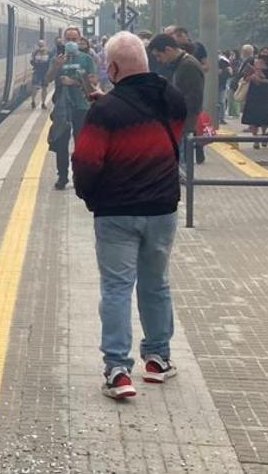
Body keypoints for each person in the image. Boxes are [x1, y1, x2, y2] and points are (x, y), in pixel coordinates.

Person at [72, 31, 187, 400]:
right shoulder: (172, 98)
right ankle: (157, 360)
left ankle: (118, 370)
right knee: (156, 284)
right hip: (162, 209)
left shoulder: (104, 111)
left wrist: (90, 198)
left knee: (117, 288)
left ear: (113, 67)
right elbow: (153, 126)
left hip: (116, 213)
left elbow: (87, 161)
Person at [46, 26, 97, 190]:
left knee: (80, 143)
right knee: (61, 142)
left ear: (80, 40)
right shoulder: (57, 59)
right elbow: (46, 80)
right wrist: (55, 66)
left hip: (82, 106)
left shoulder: (87, 59)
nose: (71, 42)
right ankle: (62, 176)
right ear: (63, 40)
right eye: (68, 39)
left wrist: (74, 82)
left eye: (74, 39)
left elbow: (93, 84)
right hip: (62, 109)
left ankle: (79, 176)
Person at [147, 35, 205, 164]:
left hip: (183, 123)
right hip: (178, 123)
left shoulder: (188, 65)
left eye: (159, 56)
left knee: (180, 166)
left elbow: (194, 99)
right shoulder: (181, 64)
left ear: (168, 50)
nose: (159, 60)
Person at [242, 49, 268, 148]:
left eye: (267, 52)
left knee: (264, 115)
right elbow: (244, 76)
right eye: (263, 52)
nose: (264, 54)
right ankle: (255, 139)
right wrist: (252, 77)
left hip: (264, 93)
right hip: (253, 92)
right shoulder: (252, 62)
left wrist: (261, 78)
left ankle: (264, 136)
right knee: (253, 116)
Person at [30, 40, 52, 109]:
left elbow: (51, 62)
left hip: (45, 72)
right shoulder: (35, 52)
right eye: (40, 45)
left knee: (44, 88)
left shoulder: (49, 52)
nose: (41, 46)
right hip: (37, 71)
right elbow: (31, 61)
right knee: (34, 87)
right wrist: (36, 62)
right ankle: (33, 101)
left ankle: (43, 103)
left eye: (42, 45)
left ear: (45, 45)